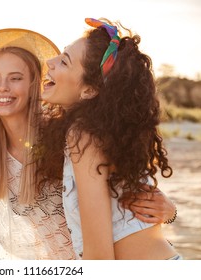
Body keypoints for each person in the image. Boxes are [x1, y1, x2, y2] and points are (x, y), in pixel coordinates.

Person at [36, 18, 180, 259]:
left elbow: (100, 257)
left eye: (64, 61)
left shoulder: (83, 135)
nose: (49, 62)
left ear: (89, 90)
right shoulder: (101, 131)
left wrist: (171, 212)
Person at [0, 29, 76, 259]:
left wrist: (167, 214)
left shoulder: (64, 138)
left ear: (34, 84)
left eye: (16, 78)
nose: (3, 87)